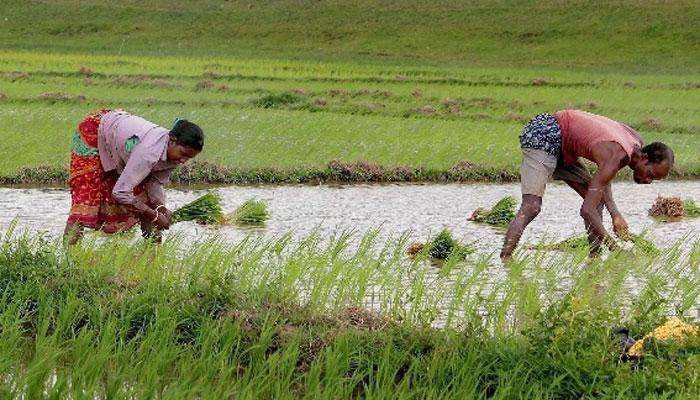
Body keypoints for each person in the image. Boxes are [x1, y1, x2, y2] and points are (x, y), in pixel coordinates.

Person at [500, 110, 673, 260]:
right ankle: (505, 260)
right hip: (544, 134)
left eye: (653, 180)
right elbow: (586, 210)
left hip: (565, 145)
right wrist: (615, 249)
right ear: (644, 158)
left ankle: (594, 258)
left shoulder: (634, 141)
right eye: (650, 174)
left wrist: (616, 214)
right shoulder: (616, 156)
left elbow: (604, 177)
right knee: (531, 206)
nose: (648, 180)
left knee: (597, 201)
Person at [64, 109, 203, 244]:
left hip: (121, 143)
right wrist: (154, 215)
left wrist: (160, 208)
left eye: (189, 158)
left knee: (145, 200)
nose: (184, 161)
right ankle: (68, 258)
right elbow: (120, 192)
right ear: (172, 140)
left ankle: (153, 257)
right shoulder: (148, 153)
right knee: (85, 202)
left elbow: (154, 183)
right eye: (183, 154)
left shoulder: (173, 155)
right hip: (95, 132)